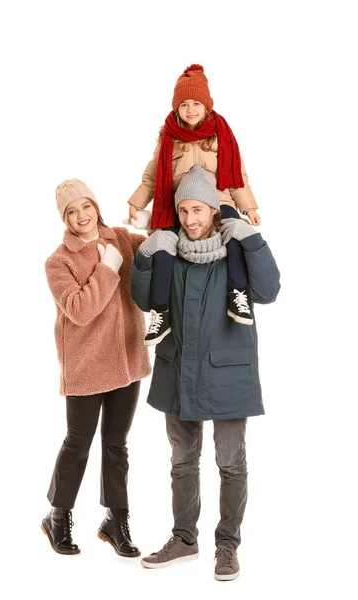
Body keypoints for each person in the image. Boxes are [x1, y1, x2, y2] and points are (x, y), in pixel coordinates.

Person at [131, 165, 280, 581]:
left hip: (229, 373)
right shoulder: (170, 255)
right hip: (178, 369)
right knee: (182, 461)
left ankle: (227, 546)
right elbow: (145, 302)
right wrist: (145, 256)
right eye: (183, 212)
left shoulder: (235, 255)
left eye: (198, 210)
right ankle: (184, 540)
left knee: (231, 463)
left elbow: (269, 291)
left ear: (215, 211)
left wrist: (252, 241)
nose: (190, 220)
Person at [41, 178, 151, 557]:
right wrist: (107, 269)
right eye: (72, 211)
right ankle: (58, 515)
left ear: (96, 206)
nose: (81, 216)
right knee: (78, 444)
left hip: (127, 360)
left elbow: (157, 249)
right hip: (86, 366)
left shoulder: (121, 239)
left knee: (116, 444)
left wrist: (153, 220)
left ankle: (116, 521)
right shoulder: (58, 261)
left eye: (85, 206)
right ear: (65, 218)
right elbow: (80, 310)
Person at [127, 64, 260, 346]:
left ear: (206, 106)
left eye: (196, 103)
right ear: (176, 108)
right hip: (181, 206)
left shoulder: (220, 134)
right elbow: (152, 177)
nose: (190, 110)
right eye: (184, 104)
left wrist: (248, 207)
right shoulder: (169, 138)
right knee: (163, 243)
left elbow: (237, 176)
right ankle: (160, 310)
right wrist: (137, 203)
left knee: (234, 232)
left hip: (218, 202)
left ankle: (238, 295)